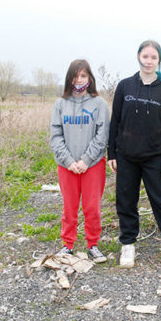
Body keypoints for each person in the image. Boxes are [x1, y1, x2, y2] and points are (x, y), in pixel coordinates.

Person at [107, 40, 161, 269]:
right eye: (145, 56)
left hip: (155, 158)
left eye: (153, 57)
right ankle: (128, 244)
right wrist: (111, 152)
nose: (149, 61)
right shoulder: (125, 86)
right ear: (138, 57)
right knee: (126, 201)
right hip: (126, 156)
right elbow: (116, 122)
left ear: (159, 60)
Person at [50, 59, 110, 263]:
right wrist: (68, 160)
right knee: (69, 206)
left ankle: (93, 244)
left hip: (92, 165)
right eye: (75, 76)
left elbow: (102, 136)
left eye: (83, 75)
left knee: (92, 207)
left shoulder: (99, 104)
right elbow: (56, 136)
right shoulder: (60, 104)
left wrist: (86, 160)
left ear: (89, 78)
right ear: (70, 78)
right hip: (67, 166)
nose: (79, 79)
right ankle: (67, 245)